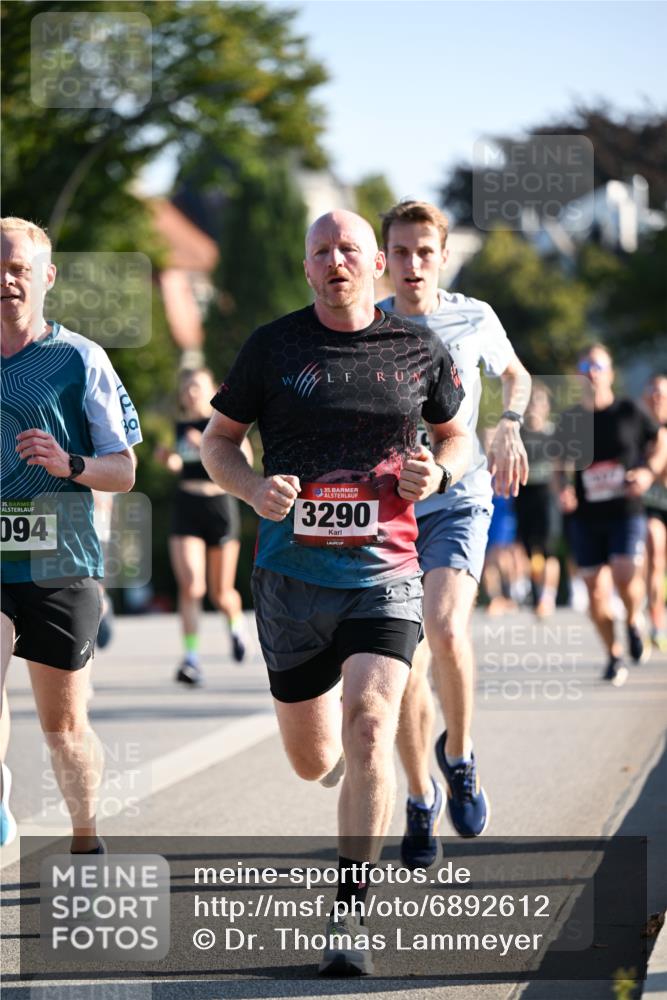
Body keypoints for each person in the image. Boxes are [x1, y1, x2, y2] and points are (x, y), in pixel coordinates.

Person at [201, 209, 470, 975]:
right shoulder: (273, 347)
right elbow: (217, 440)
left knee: (368, 723)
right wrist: (253, 487)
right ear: (308, 268)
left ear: (373, 265)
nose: (335, 260)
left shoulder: (416, 348)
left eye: (348, 248)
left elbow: (456, 434)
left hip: (384, 576)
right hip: (291, 581)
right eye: (320, 250)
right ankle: (359, 785)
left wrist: (441, 471)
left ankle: (349, 917)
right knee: (313, 757)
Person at [377, 200, 531, 869]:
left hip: (460, 492)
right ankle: (418, 798)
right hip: (389, 507)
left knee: (443, 628)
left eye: (424, 252)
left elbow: (514, 374)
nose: (412, 265)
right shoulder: (367, 324)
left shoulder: (473, 315)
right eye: (400, 253)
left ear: (442, 256)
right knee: (403, 660)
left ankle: (458, 756)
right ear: (384, 259)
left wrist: (509, 421)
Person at [1, 216, 136, 850]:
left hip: (61, 561)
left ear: (46, 277)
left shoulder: (81, 359)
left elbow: (126, 470)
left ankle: (85, 830)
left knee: (64, 728)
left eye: (18, 269)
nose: (5, 281)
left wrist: (69, 463)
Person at [556, 345, 667, 686]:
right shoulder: (571, 419)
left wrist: (647, 472)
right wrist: (563, 489)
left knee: (624, 572)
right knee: (595, 595)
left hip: (625, 510)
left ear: (610, 373)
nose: (592, 372)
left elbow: (659, 440)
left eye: (598, 365)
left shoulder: (629, 410)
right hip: (587, 517)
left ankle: (634, 620)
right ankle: (614, 654)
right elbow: (559, 466)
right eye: (585, 366)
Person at [155, 367, 250, 685]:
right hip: (187, 506)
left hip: (219, 506)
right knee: (192, 586)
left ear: (210, 388)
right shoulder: (178, 426)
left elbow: (246, 462)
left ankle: (236, 628)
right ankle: (191, 658)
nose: (191, 393)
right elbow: (178, 463)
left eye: (196, 386)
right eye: (186, 388)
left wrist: (204, 448)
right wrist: (168, 459)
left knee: (221, 593)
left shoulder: (223, 423)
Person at [515, 382, 562, 617]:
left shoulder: (554, 433)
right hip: (524, 496)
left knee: (547, 549)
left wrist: (565, 490)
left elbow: (563, 466)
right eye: (531, 401)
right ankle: (534, 590)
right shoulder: (517, 434)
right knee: (527, 550)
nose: (534, 405)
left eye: (540, 401)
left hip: (548, 496)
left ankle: (547, 597)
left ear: (547, 406)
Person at [640, 373, 667, 651]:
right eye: (654, 393)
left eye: (663, 393)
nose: (658, 398)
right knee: (655, 554)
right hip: (653, 504)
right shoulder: (642, 428)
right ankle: (656, 620)